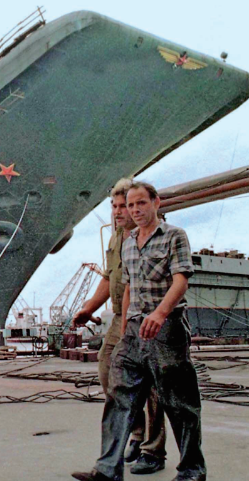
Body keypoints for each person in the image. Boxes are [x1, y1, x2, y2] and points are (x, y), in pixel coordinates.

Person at [72, 181, 206, 481]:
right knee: (118, 397)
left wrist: (160, 313)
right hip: (133, 330)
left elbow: (181, 280)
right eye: (129, 205)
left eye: (140, 203)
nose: (134, 210)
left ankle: (192, 470)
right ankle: (108, 469)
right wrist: (126, 329)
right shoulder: (128, 242)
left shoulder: (174, 236)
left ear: (156, 202)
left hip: (167, 329)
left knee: (179, 403)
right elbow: (129, 285)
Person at [73, 179, 167, 475]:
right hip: (119, 317)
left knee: (151, 386)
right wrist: (89, 308)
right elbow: (109, 277)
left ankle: (153, 450)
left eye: (123, 206)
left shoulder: (151, 237)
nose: (118, 211)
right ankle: (136, 433)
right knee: (108, 371)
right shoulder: (117, 238)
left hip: (147, 318)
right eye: (114, 206)